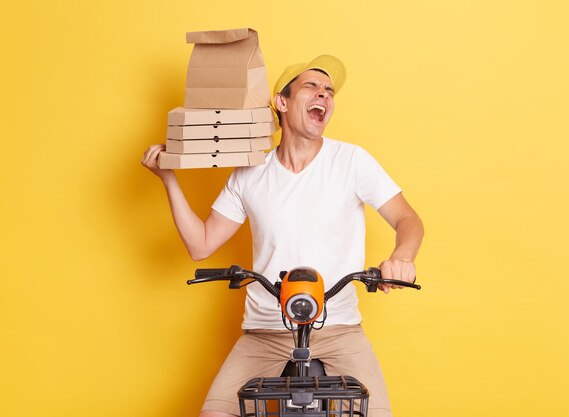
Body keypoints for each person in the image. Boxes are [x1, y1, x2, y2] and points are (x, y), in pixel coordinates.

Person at [141, 55, 424, 417]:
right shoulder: (249, 173)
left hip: (339, 330)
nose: (324, 94)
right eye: (312, 86)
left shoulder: (352, 161)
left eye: (329, 91)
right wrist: (168, 179)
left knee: (377, 414)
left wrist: (403, 258)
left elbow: (408, 218)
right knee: (213, 414)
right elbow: (201, 244)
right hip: (264, 332)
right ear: (282, 101)